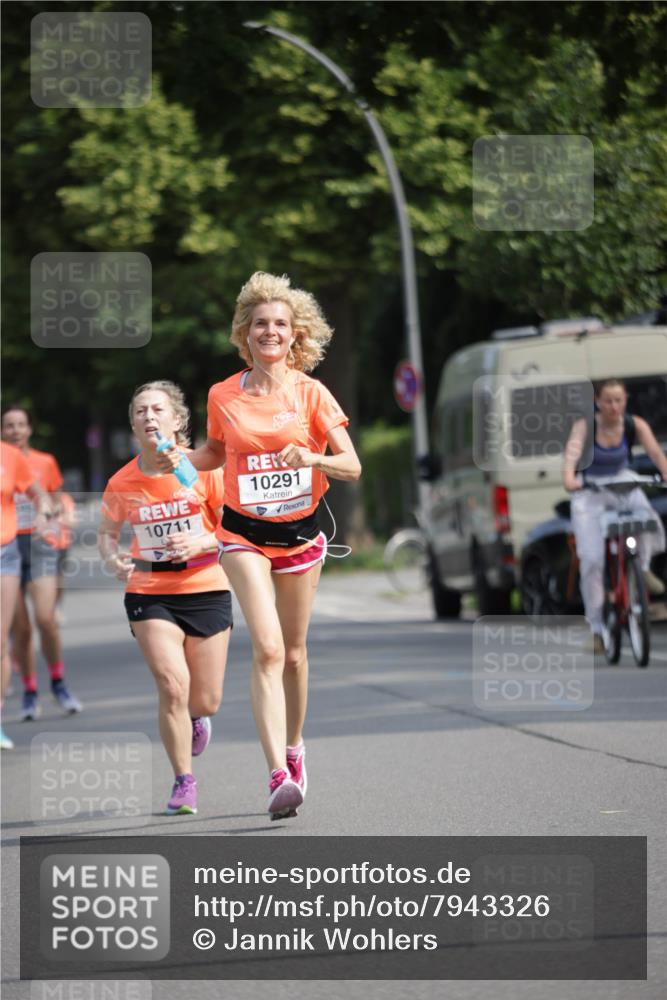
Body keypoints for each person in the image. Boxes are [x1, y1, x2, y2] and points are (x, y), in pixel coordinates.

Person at [157, 272, 361, 820]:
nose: (269, 332)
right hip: (243, 533)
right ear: (244, 333)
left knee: (294, 652)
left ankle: (295, 748)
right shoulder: (223, 394)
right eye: (260, 324)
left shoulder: (312, 392)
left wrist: (312, 458)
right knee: (268, 648)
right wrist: (177, 459)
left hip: (300, 534)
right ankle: (276, 774)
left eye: (280, 325)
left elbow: (352, 466)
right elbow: (216, 456)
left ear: (295, 336)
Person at [98, 381, 232, 816]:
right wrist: (114, 558)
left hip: (206, 587)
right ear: (134, 424)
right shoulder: (123, 480)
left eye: (158, 409)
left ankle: (197, 719)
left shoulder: (205, 470)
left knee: (204, 699)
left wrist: (200, 544)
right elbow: (106, 534)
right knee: (173, 685)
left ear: (177, 419)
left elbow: (234, 532)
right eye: (140, 411)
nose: (149, 416)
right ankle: (183, 781)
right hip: (149, 590)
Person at [563, 378, 667, 652]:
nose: (613, 406)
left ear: (626, 400)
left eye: (618, 400)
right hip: (591, 490)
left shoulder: (635, 425)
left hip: (622, 483)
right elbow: (570, 459)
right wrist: (570, 479)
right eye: (607, 401)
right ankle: (596, 629)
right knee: (592, 560)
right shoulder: (586, 426)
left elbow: (656, 453)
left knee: (648, 519)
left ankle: (641, 568)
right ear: (597, 401)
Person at [1, 406, 82, 719]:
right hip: (8, 544)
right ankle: (30, 690)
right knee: (20, 629)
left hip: (38, 544)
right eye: (9, 426)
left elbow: (54, 499)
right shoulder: (4, 459)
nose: (16, 431)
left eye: (21, 425)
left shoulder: (43, 462)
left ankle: (59, 682)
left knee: (46, 619)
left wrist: (49, 516)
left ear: (29, 429)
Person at [0, 441, 48, 748]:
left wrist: (42, 512)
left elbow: (38, 492)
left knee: (0, 640)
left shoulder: (9, 455)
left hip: (5, 552)